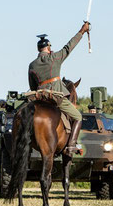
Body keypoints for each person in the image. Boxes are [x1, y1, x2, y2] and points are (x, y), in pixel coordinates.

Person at [28, 21, 90, 154]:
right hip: (56, 98)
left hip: (39, 98)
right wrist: (82, 31)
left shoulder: (32, 65)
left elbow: (32, 86)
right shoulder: (55, 58)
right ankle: (72, 145)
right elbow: (69, 47)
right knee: (78, 116)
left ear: (39, 49)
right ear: (49, 48)